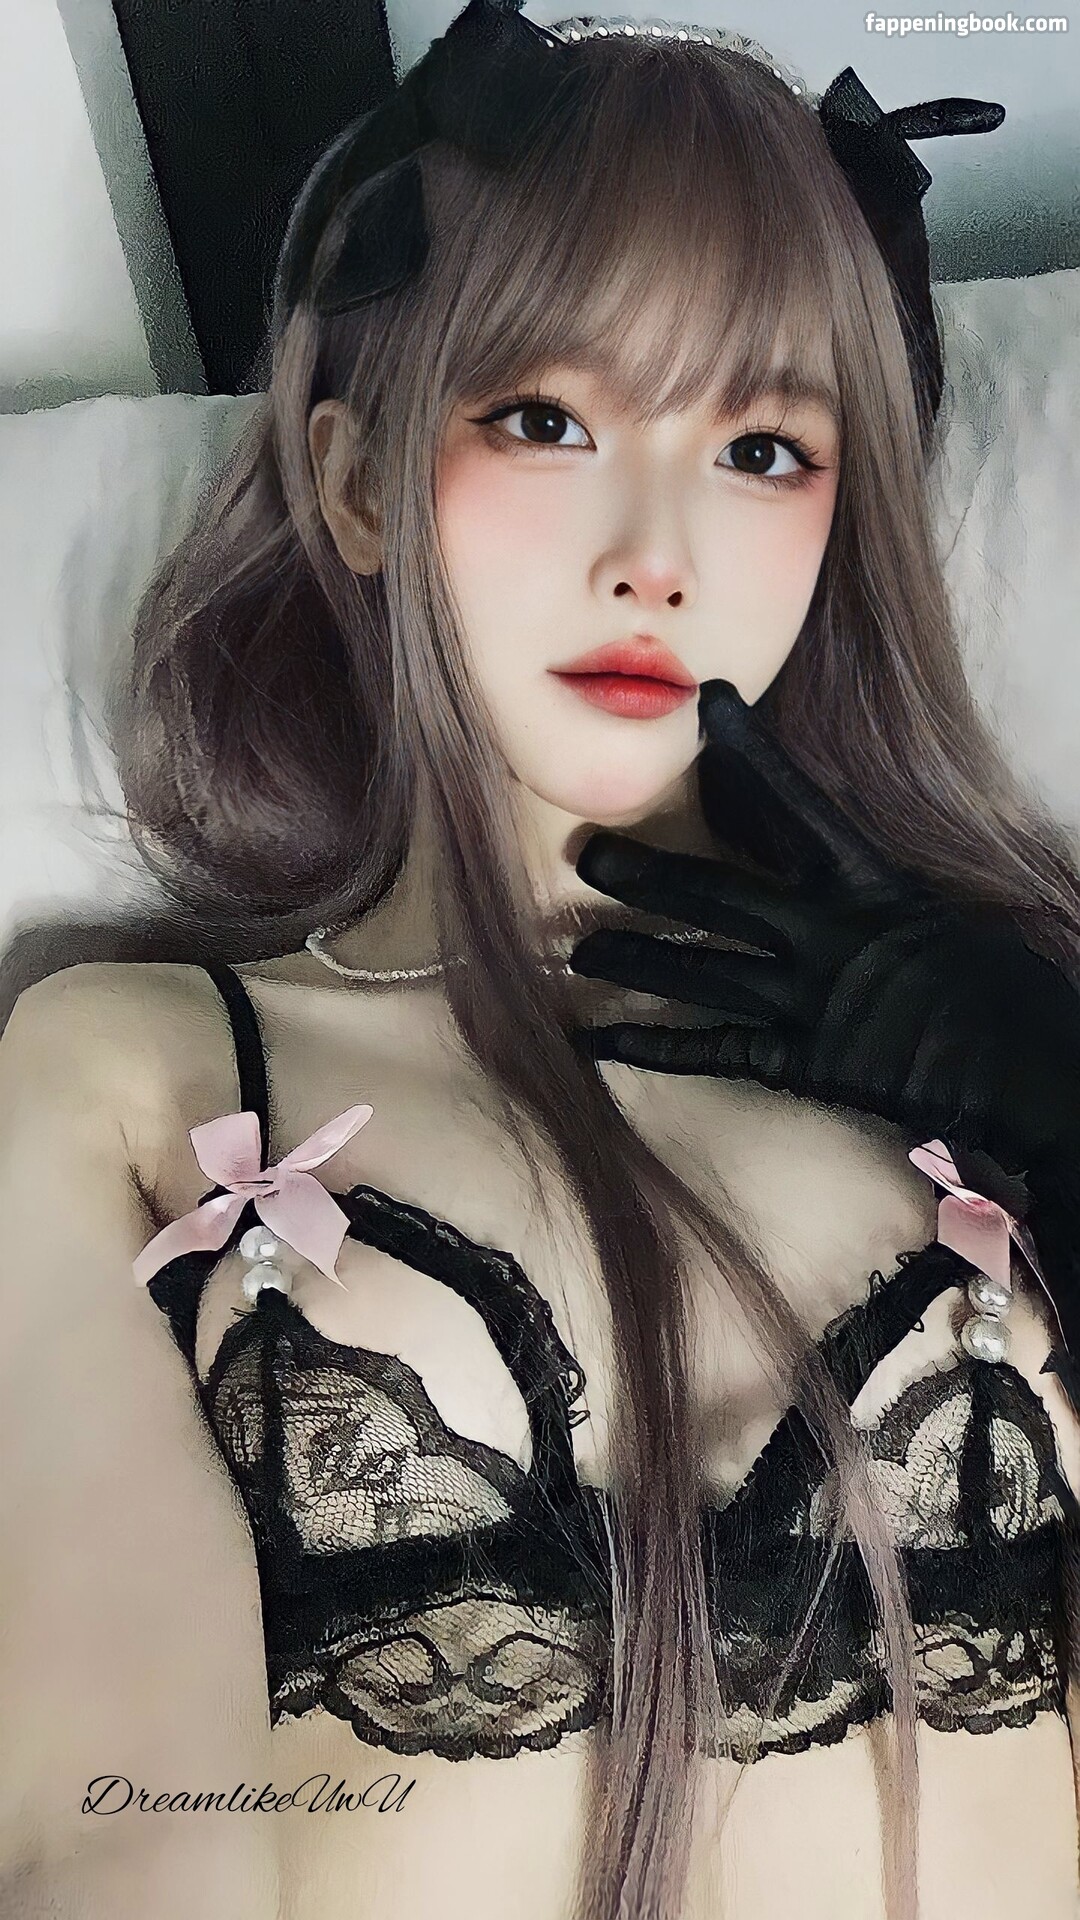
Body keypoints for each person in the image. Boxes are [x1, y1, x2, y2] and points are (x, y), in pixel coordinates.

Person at [2, 7, 1080, 1918]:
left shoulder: (1006, 1049)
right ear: (356, 486)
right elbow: (115, 1830)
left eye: (761, 446)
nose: (655, 553)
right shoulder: (129, 1066)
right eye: (547, 420)